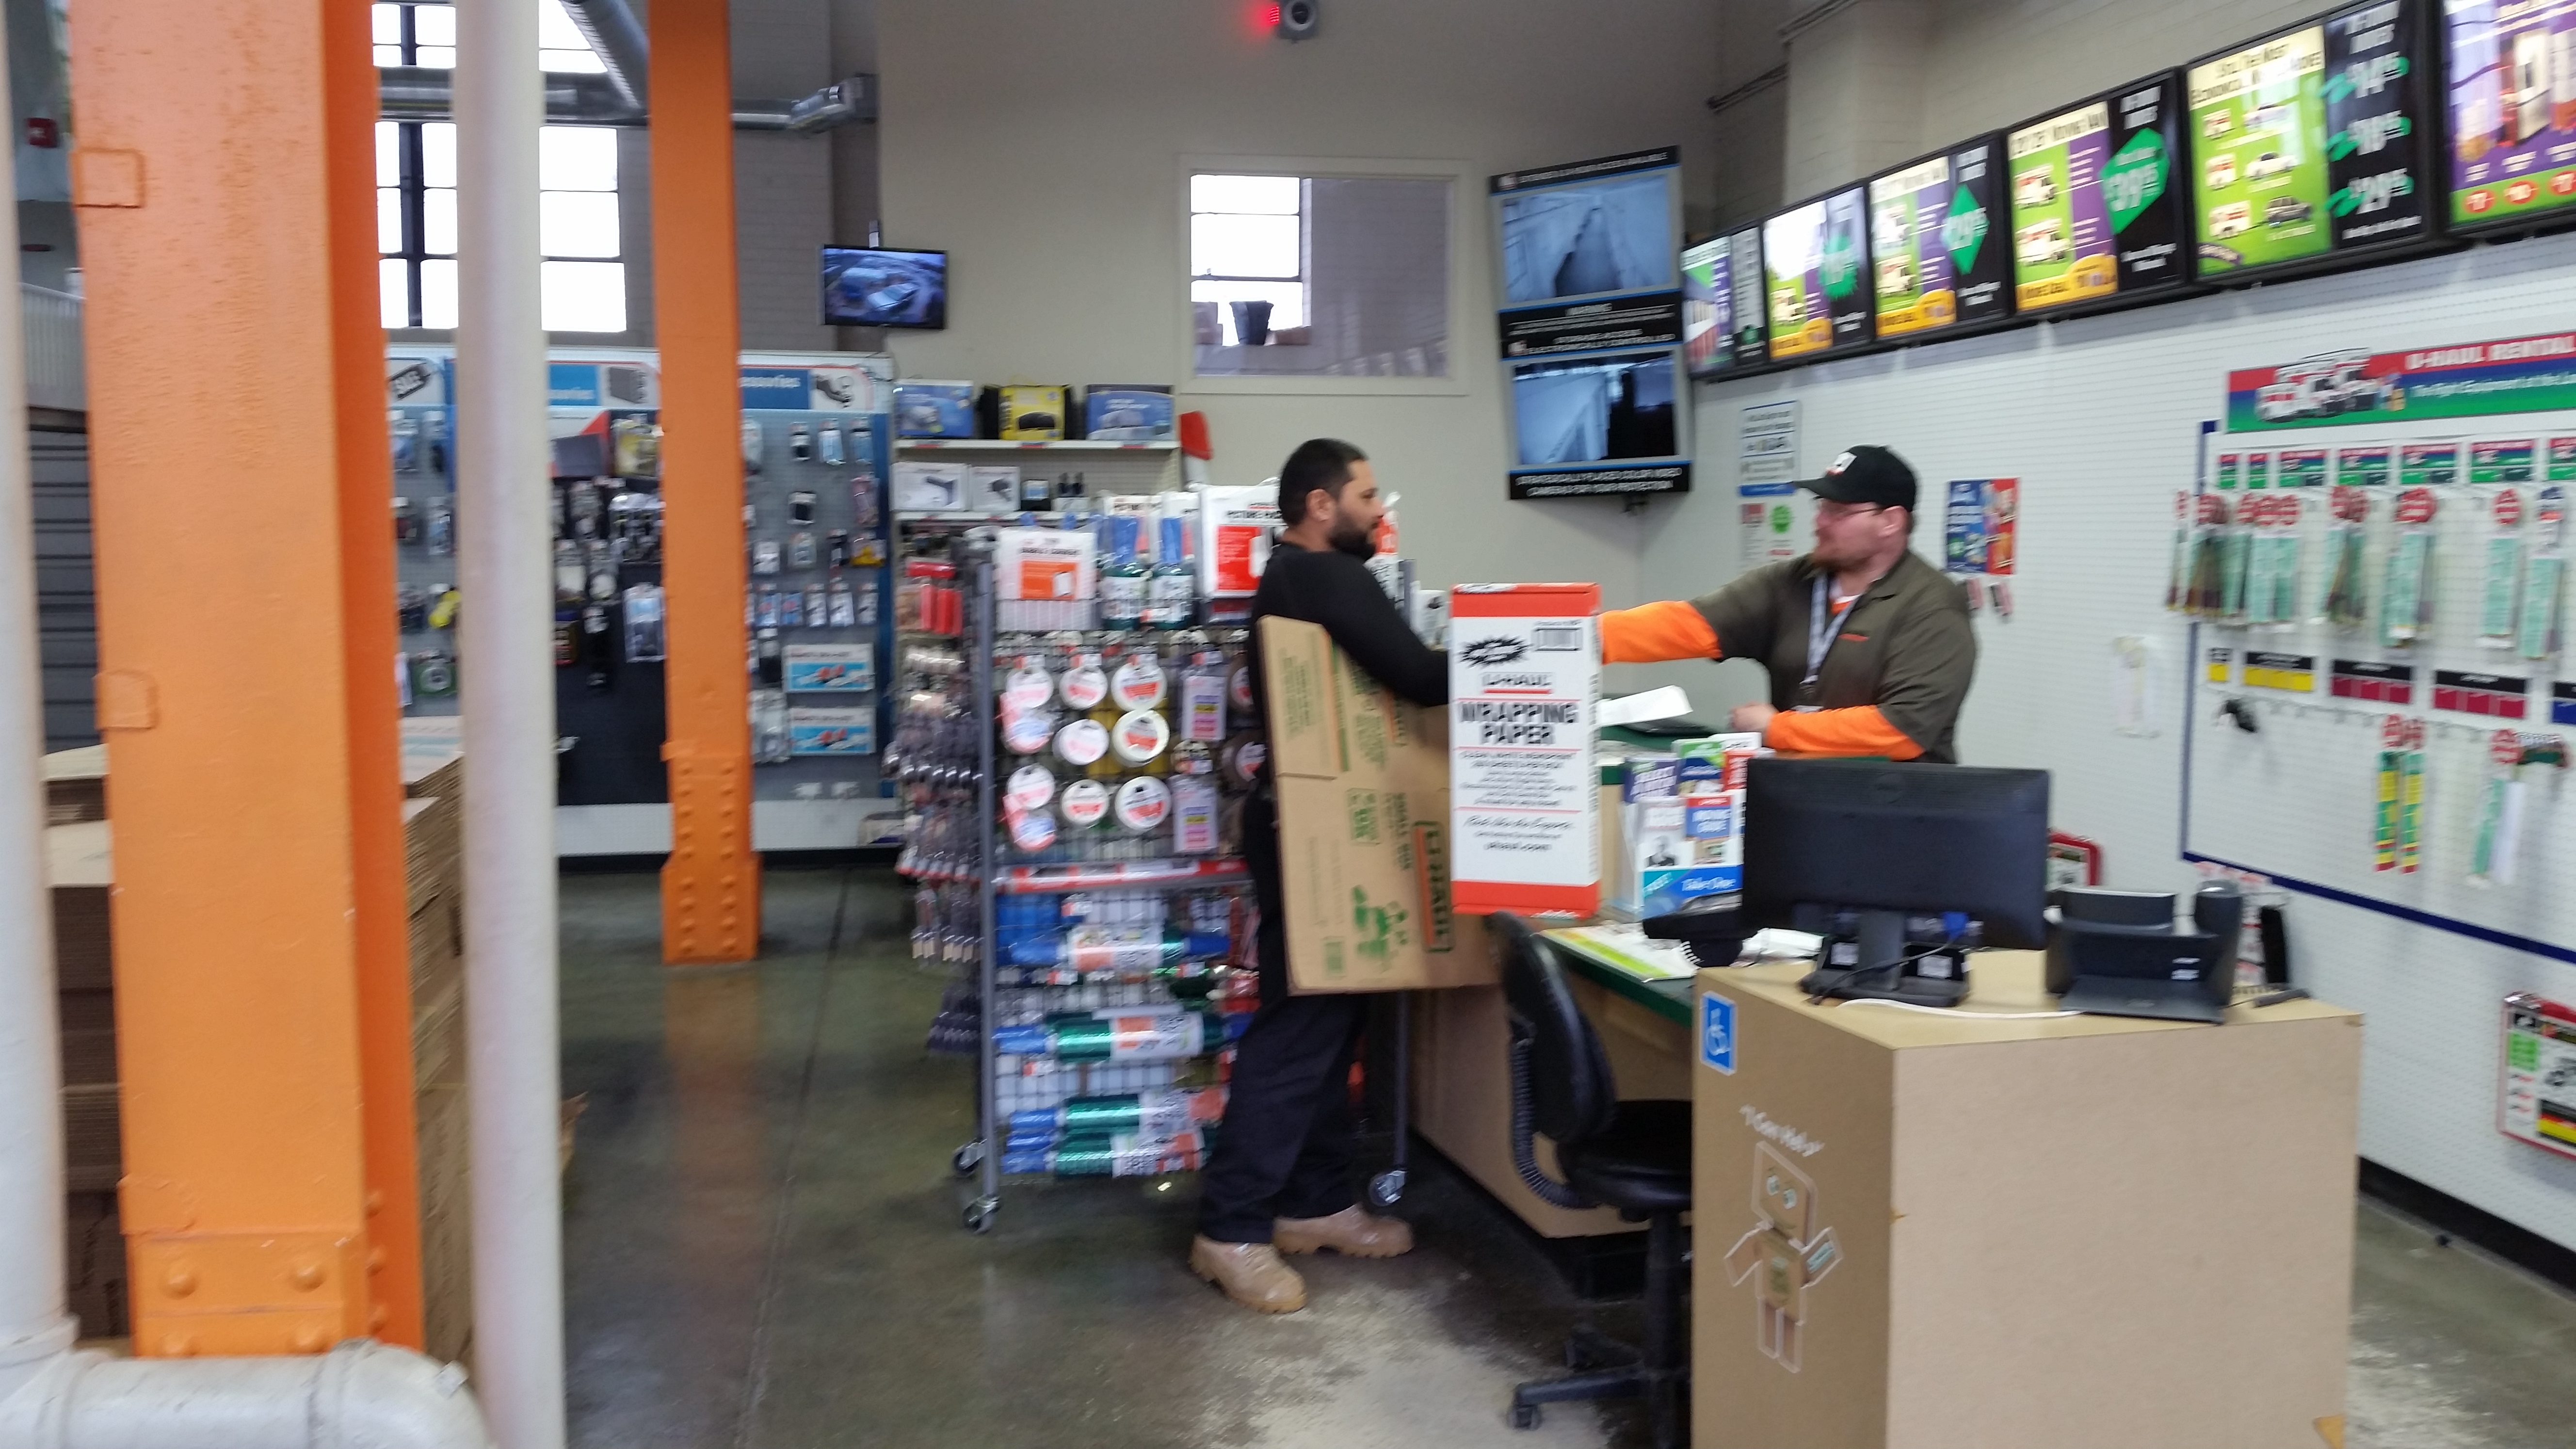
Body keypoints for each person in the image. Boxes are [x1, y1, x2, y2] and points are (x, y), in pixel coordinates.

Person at [1190, 438, 1445, 1314]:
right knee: (1302, 1029)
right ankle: (1231, 1226)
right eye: (1366, 496)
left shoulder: (1296, 576)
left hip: (1309, 825)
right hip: (1311, 832)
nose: (1378, 510)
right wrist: (1527, 653)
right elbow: (1418, 674)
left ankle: (1314, 1201)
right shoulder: (1326, 575)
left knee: (1335, 1022)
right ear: (1320, 504)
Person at [1600, 445, 1975, 762]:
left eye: (1839, 512)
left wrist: (1775, 728)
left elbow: (1900, 731)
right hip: (1799, 796)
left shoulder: (1932, 607)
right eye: (1821, 506)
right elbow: (1687, 625)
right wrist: (1583, 635)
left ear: (1891, 521)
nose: (1820, 522)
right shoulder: (1791, 582)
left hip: (1895, 807)